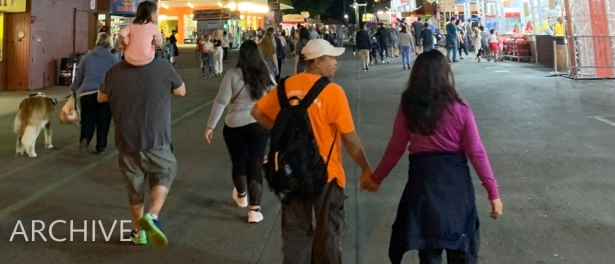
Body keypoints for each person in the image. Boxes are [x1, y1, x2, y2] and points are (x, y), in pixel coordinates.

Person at [365, 50, 501, 264]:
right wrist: (493, 193)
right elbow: (476, 152)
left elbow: (396, 147)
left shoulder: (409, 106)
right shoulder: (460, 108)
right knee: (461, 246)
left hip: (423, 183)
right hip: (456, 186)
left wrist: (377, 178)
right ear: (445, 73)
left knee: (429, 249)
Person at [252, 39, 376, 264]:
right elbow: (350, 139)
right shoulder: (332, 92)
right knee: (328, 233)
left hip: (291, 172)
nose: (335, 63)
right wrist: (366, 168)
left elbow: (257, 112)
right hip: (327, 174)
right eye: (330, 58)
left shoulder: (285, 87)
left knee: (295, 232)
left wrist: (282, 134)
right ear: (317, 61)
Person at [98, 53, 186, 246]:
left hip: (126, 138)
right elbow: (181, 91)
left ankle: (139, 232)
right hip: (156, 137)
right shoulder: (163, 66)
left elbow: (101, 97)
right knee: (166, 170)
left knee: (134, 185)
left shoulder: (116, 70)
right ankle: (152, 216)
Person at [205, 40, 275, 223]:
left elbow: (220, 101)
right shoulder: (265, 73)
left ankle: (242, 196)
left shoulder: (232, 75)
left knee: (238, 163)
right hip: (259, 124)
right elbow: (275, 96)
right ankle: (254, 211)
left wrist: (210, 126)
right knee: (256, 165)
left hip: (234, 125)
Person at [71, 32, 119, 154]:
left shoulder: (87, 57)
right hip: (104, 94)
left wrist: (73, 89)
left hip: (86, 93)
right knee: (103, 121)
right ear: (110, 42)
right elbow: (117, 77)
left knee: (88, 119)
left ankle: (85, 140)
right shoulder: (112, 58)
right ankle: (101, 147)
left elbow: (79, 75)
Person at [118, 1, 164, 67]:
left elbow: (122, 34)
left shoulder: (131, 25)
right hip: (147, 58)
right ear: (152, 14)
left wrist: (125, 41)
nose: (157, 16)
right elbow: (159, 42)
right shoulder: (153, 27)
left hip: (130, 58)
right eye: (156, 13)